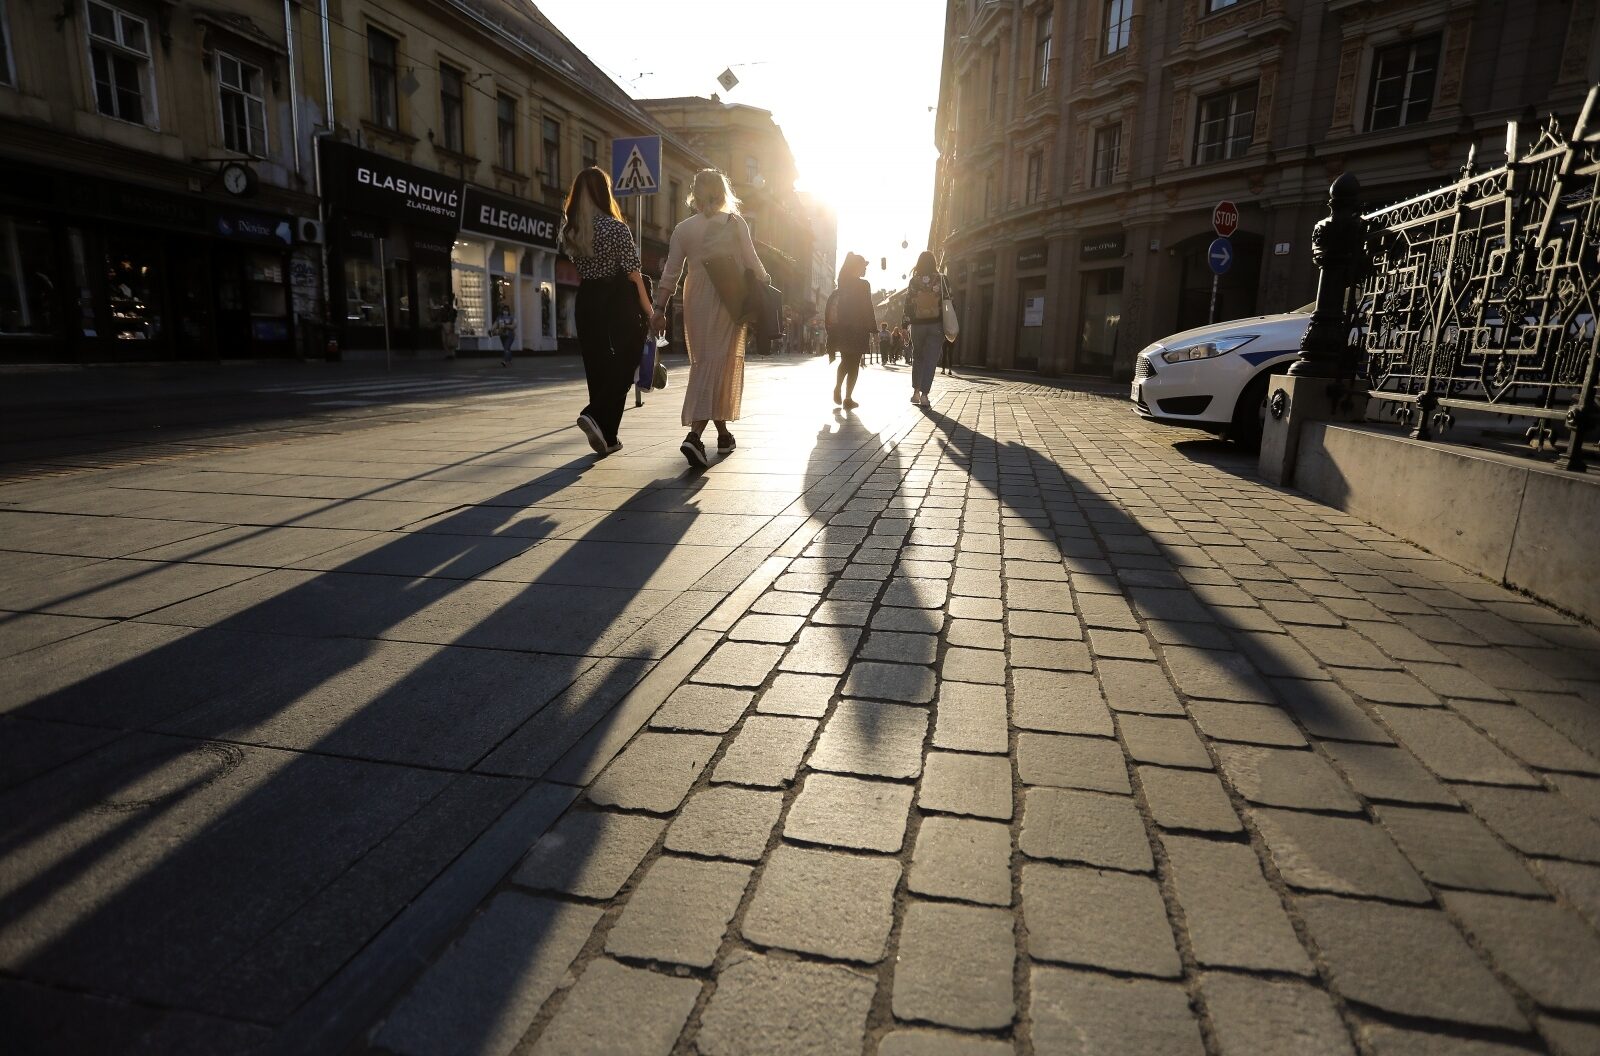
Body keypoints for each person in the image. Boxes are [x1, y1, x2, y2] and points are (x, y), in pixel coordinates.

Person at [652, 168, 771, 468]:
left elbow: (671, 273)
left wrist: (659, 308)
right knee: (721, 362)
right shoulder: (734, 223)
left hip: (696, 298)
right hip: (728, 298)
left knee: (706, 361)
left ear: (694, 192)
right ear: (722, 192)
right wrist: (766, 282)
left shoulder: (683, 229)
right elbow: (752, 261)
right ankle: (694, 437)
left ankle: (723, 435)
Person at [561, 166, 653, 456]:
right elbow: (633, 274)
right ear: (604, 192)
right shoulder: (616, 228)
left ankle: (608, 437)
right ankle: (594, 412)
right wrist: (649, 311)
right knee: (628, 358)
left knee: (597, 366)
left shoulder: (571, 230)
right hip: (616, 300)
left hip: (586, 298)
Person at [902, 250, 950, 406]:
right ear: (934, 263)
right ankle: (924, 395)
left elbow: (908, 303)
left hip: (917, 325)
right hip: (936, 324)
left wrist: (905, 325)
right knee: (931, 360)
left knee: (918, 358)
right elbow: (950, 300)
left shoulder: (914, 281)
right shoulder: (941, 279)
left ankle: (915, 393)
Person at [829, 253, 874, 409]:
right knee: (854, 364)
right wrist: (873, 327)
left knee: (845, 360)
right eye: (864, 266)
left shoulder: (843, 284)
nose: (866, 269)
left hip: (843, 329)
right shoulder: (864, 285)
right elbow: (867, 307)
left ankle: (838, 386)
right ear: (858, 267)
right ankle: (848, 398)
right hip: (859, 329)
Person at [439, 292, 459, 359]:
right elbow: (454, 316)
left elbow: (443, 317)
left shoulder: (444, 308)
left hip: (446, 323)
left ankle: (449, 354)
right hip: (450, 323)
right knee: (450, 339)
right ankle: (452, 353)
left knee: (446, 340)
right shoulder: (452, 308)